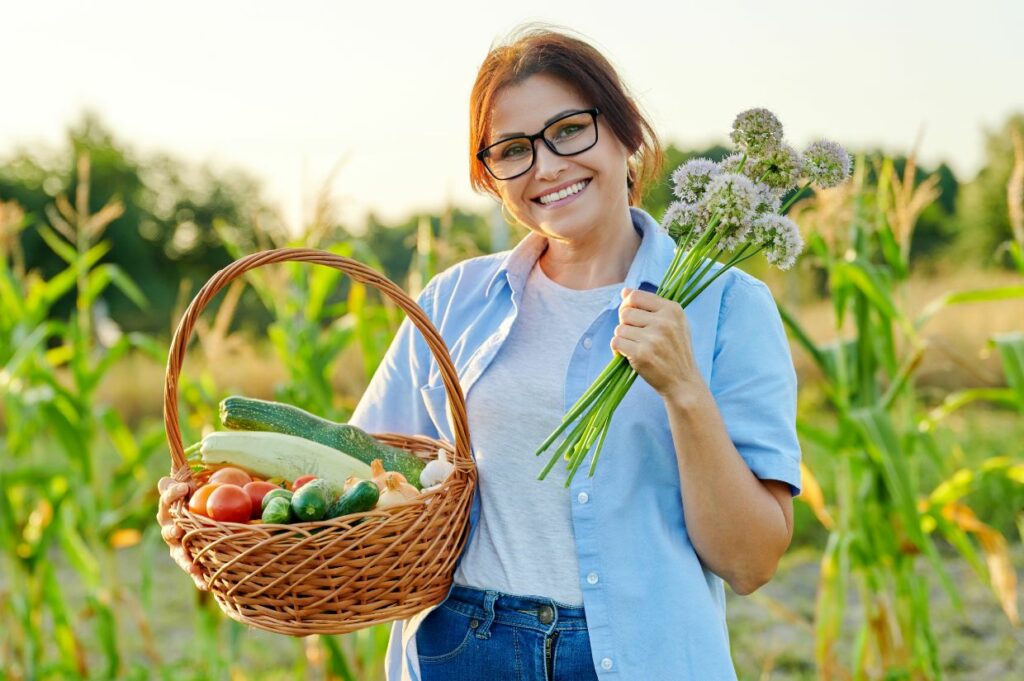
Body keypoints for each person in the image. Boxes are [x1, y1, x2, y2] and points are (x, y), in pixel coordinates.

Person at [159, 23, 802, 681]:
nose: (546, 166)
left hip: (643, 656)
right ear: (490, 175)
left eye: (569, 129)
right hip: (462, 649)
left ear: (626, 133)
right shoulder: (455, 301)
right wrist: (220, 518)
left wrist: (684, 389)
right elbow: (362, 481)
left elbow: (751, 562)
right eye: (512, 150)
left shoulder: (727, 304)